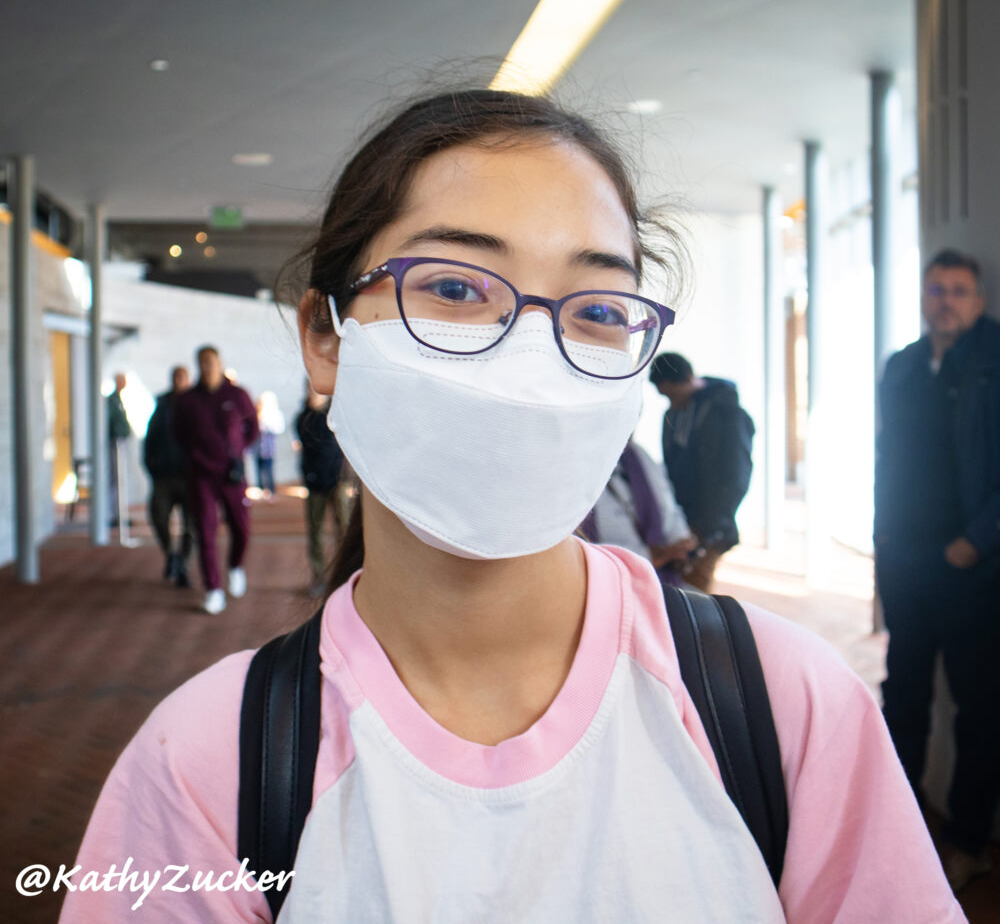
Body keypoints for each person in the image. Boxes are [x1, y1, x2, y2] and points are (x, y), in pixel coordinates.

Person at [61, 89, 963, 923]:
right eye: (455, 288)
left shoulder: (785, 706)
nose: (533, 360)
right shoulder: (213, 762)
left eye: (598, 308)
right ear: (325, 340)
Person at [875, 248, 1000, 892]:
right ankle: (898, 826)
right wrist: (883, 540)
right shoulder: (900, 366)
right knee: (904, 696)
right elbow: (886, 459)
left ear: (978, 301)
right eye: (935, 290)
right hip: (905, 560)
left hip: (970, 571)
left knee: (979, 708)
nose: (945, 300)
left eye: (959, 290)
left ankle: (969, 840)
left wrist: (975, 542)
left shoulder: (993, 360)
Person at [649, 352, 754, 592]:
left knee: (695, 597)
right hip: (681, 524)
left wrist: (705, 529)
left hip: (708, 529)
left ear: (688, 379)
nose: (671, 402)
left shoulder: (726, 413)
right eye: (664, 396)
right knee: (677, 592)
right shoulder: (672, 414)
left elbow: (735, 478)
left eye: (673, 394)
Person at [172, 346, 259, 615]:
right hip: (202, 477)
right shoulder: (188, 401)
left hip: (232, 475)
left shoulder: (238, 395)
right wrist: (196, 456)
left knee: (242, 529)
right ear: (198, 365)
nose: (209, 367)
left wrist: (237, 451)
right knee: (206, 532)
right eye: (204, 362)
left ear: (220, 363)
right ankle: (213, 589)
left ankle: (235, 566)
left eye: (212, 362)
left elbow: (253, 428)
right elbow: (178, 434)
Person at [582, 437, 695, 577]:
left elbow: (670, 508)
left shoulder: (638, 454)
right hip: (611, 577)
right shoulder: (578, 463)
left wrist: (681, 541)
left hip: (663, 573)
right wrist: (650, 556)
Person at [142, 365, 193, 587]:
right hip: (164, 475)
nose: (179, 380)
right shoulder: (162, 405)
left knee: (192, 526)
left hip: (191, 477)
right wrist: (151, 466)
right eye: (175, 376)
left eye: (182, 376)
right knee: (158, 516)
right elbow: (150, 437)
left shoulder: (196, 404)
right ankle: (171, 555)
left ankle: (183, 564)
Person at [295, 384, 347, 596]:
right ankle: (318, 577)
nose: (311, 395)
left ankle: (345, 576)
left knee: (344, 531)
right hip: (315, 482)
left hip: (338, 482)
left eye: (314, 391)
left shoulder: (339, 415)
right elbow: (316, 447)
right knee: (315, 532)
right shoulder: (302, 419)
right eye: (308, 391)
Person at [106, 372, 132, 527]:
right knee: (115, 480)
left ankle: (120, 513)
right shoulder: (112, 401)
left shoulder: (118, 399)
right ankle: (115, 515)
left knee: (120, 479)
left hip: (121, 443)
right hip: (115, 443)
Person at [254, 391, 286, 497]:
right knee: (258, 468)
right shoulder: (256, 413)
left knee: (268, 468)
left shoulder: (275, 414)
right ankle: (261, 488)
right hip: (258, 447)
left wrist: (266, 427)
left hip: (269, 447)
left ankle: (270, 489)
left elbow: (279, 428)